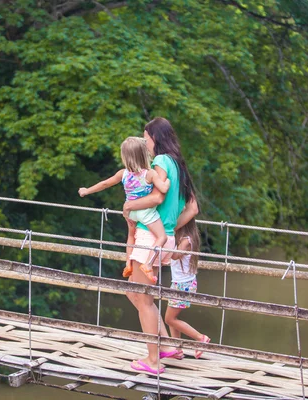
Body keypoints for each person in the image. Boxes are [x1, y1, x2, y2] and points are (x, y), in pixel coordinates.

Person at [122, 117, 199, 375]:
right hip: (161, 238)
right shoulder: (178, 164)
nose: (145, 143)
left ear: (156, 138)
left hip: (147, 238)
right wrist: (169, 229)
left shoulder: (160, 162)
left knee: (142, 300)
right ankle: (165, 345)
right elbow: (193, 208)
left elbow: (158, 195)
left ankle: (153, 361)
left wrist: (131, 206)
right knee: (134, 292)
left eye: (146, 138)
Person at [79, 137, 171, 282]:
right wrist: (168, 181)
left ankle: (128, 263)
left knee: (130, 237)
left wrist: (86, 191)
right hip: (146, 212)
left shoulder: (123, 174)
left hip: (130, 212)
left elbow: (105, 184)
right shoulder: (150, 174)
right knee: (162, 237)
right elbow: (163, 188)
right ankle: (148, 264)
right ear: (143, 154)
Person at [165, 218, 211, 359]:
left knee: (169, 319)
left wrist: (165, 236)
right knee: (172, 317)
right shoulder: (185, 239)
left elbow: (174, 255)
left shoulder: (186, 241)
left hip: (183, 285)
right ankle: (178, 349)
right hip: (180, 283)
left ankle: (200, 338)